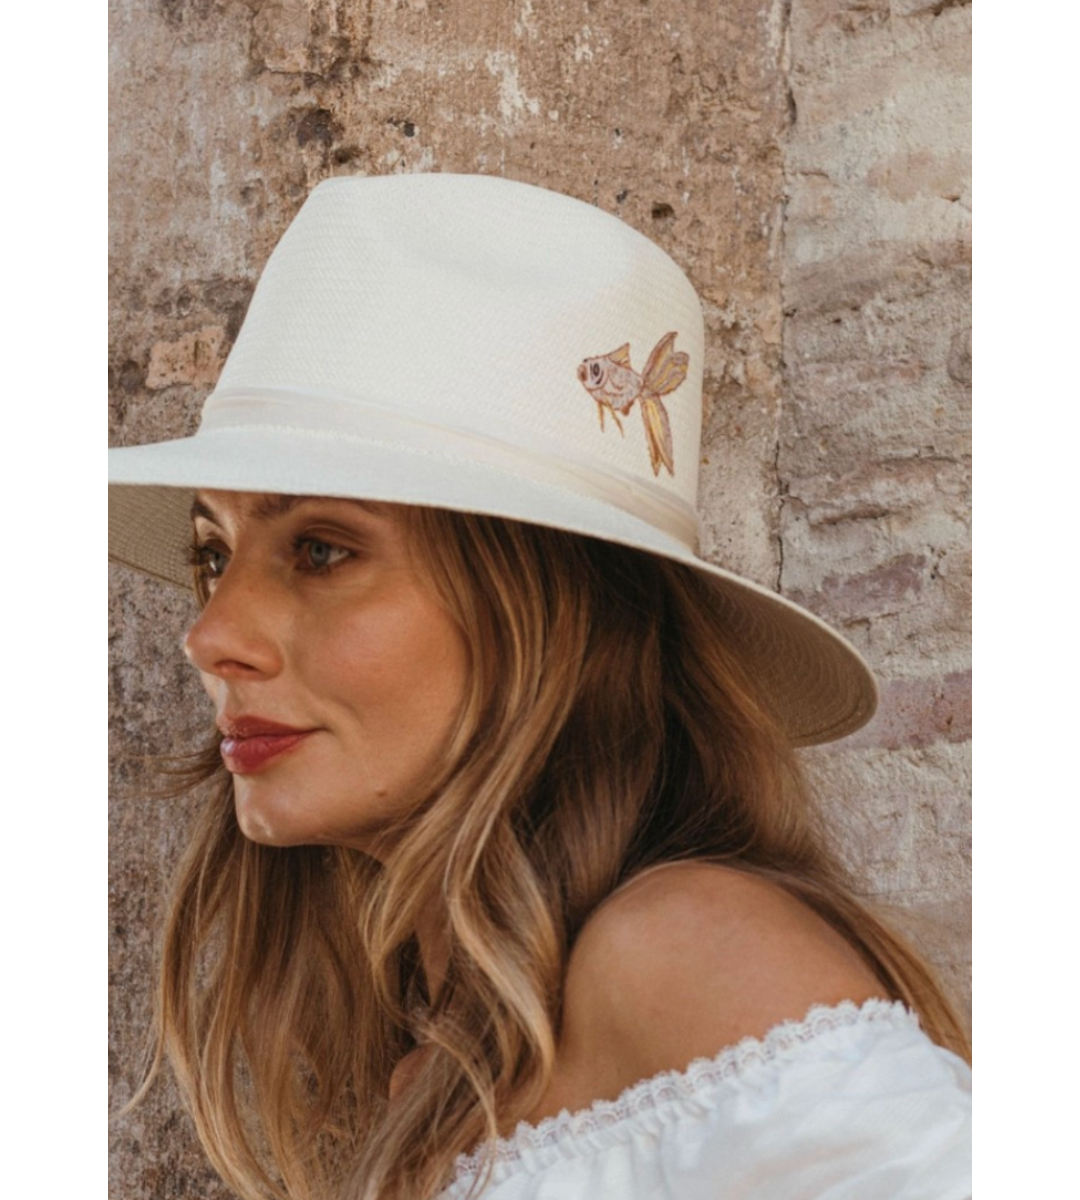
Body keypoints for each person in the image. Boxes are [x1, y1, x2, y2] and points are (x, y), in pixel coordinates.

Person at [109, 174, 971, 1200]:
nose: (211, 636)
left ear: (552, 616)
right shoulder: (442, 1059)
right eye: (213, 555)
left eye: (323, 550)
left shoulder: (685, 951)